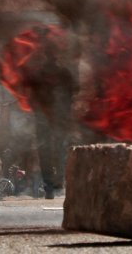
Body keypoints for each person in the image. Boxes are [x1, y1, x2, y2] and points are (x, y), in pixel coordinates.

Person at [28, 30, 76, 199]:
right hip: (55, 117)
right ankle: (57, 182)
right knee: (58, 150)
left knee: (46, 151)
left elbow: (32, 97)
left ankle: (50, 184)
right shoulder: (63, 73)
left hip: (46, 118)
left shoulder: (41, 73)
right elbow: (71, 95)